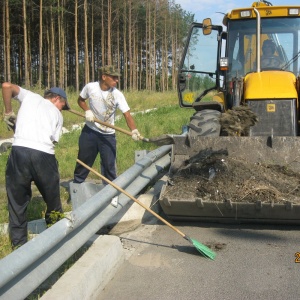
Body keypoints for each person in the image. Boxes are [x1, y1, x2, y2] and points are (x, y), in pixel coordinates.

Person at [2, 82, 70, 248]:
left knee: (17, 204)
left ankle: (19, 248)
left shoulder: (29, 96)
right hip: (43, 156)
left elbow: (6, 86)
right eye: (63, 105)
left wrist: (9, 111)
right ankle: (57, 240)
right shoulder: (57, 115)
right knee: (53, 200)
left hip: (19, 152)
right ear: (56, 99)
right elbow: (52, 140)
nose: (62, 108)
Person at [73, 65, 141, 184]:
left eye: (117, 78)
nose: (117, 80)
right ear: (104, 77)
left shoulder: (117, 94)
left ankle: (111, 193)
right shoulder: (90, 87)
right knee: (83, 162)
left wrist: (134, 130)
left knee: (109, 166)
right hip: (90, 131)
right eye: (114, 77)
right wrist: (87, 110)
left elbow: (127, 114)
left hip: (107, 135)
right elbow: (80, 100)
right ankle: (77, 187)